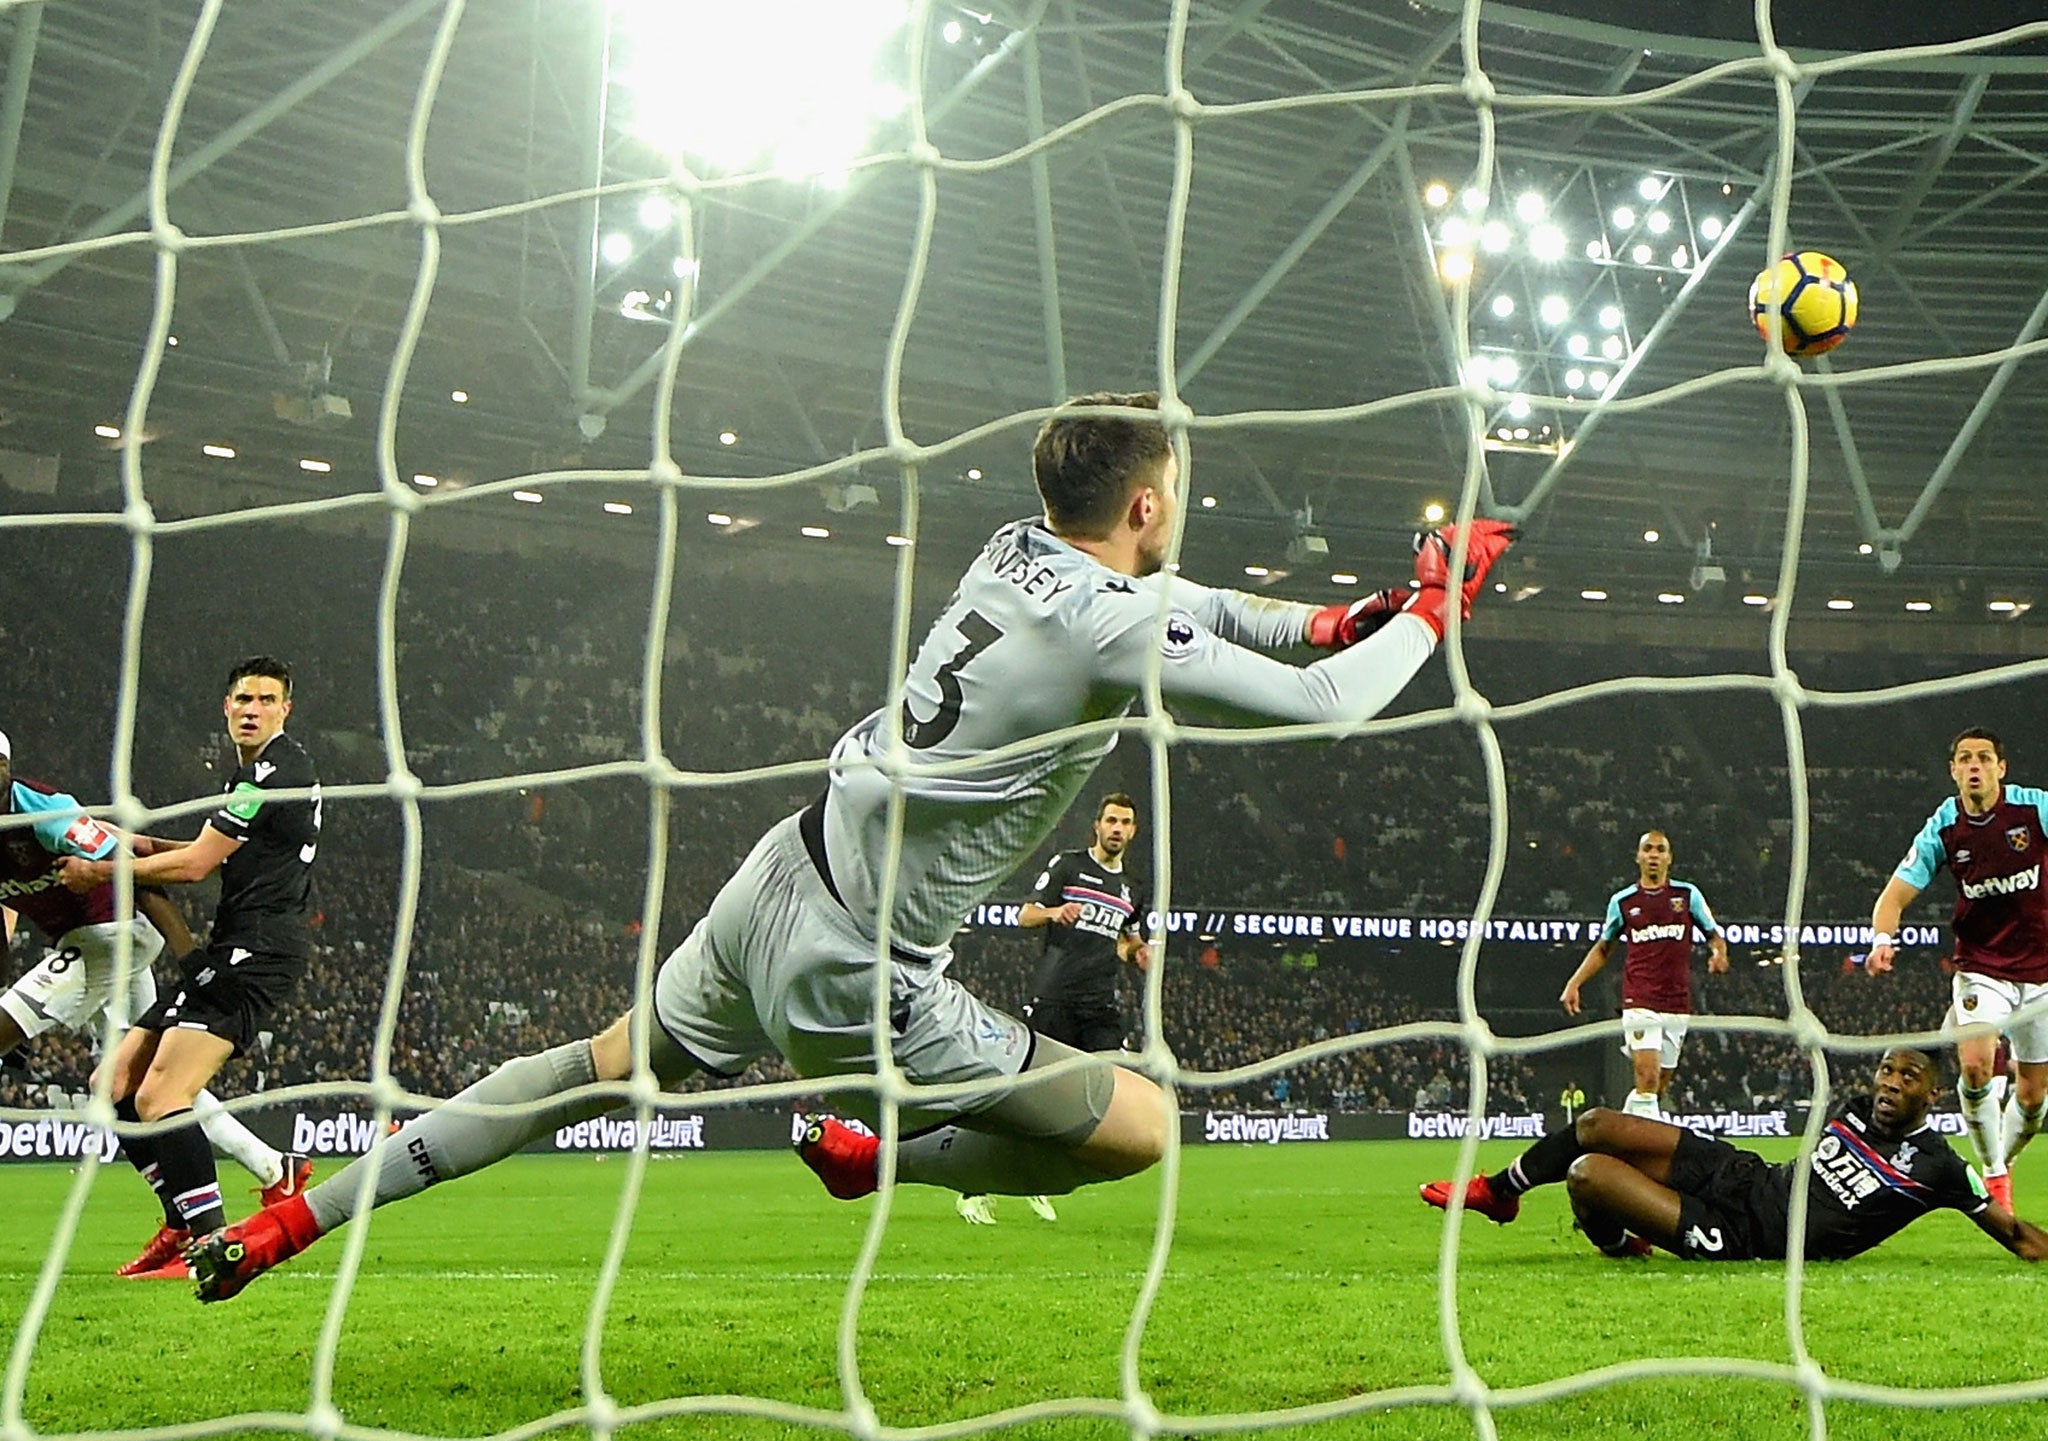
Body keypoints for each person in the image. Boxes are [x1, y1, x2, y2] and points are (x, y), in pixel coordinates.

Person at [186, 388, 1518, 1304]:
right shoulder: (1111, 626)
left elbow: (1208, 607)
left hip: (779, 869)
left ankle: (289, 1221)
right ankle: (883, 1163)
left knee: (584, 1070)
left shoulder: (1015, 550)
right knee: (1141, 1130)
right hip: (859, 973)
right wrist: (1435, 612)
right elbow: (1329, 712)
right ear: (1151, 504)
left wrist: (1354, 611)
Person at [0, 729, 309, 1270]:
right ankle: (266, 1170)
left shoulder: (44, 814)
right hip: (86, 941)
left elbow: (141, 873)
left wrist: (191, 960)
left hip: (117, 932)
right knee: (126, 1084)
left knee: (154, 1087)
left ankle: (202, 1227)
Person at [1420, 1048, 2048, 1264]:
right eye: (1886, 1071)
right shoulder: (1852, 1108)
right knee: (1596, 1124)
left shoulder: (1938, 1166)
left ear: (1931, 1094)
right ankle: (1501, 1192)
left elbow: (2016, 1235)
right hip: (1744, 1174)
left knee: (1588, 1178)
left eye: (1908, 1078)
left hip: (1746, 1232)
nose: (1889, 1083)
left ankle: (1623, 1245)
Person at [1865, 727, 2048, 1213]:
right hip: (1981, 966)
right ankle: (1995, 1182)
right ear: (1953, 771)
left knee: (2032, 1101)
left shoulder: (2035, 810)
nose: (1975, 766)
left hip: (2043, 973)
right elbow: (1894, 896)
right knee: (1974, 1064)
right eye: (1965, 758)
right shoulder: (1944, 826)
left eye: (1984, 758)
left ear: (2000, 769)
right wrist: (1883, 939)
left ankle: (2000, 1160)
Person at [959, 792, 1149, 1227]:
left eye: (1125, 822)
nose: (1117, 829)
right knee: (1021, 1093)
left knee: (1110, 1085)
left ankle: (1039, 1178)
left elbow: (1124, 940)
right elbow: (1024, 916)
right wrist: (1054, 912)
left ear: (1133, 831)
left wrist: (1138, 953)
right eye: (1111, 821)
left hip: (1100, 1003)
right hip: (1055, 998)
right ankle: (973, 1187)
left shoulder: (1133, 889)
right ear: (1097, 826)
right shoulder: (1069, 865)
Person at [1558, 830, 1729, 1120]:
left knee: (1658, 1087)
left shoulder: (1687, 896)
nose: (1653, 854)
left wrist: (1719, 953)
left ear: (1669, 858)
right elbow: (1603, 949)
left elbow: (1715, 935)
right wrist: (1574, 983)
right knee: (1647, 1077)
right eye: (1647, 849)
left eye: (1660, 849)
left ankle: (1624, 1124)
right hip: (1640, 999)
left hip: (1676, 1003)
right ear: (1638, 857)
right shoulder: (1623, 902)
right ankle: (1641, 1154)